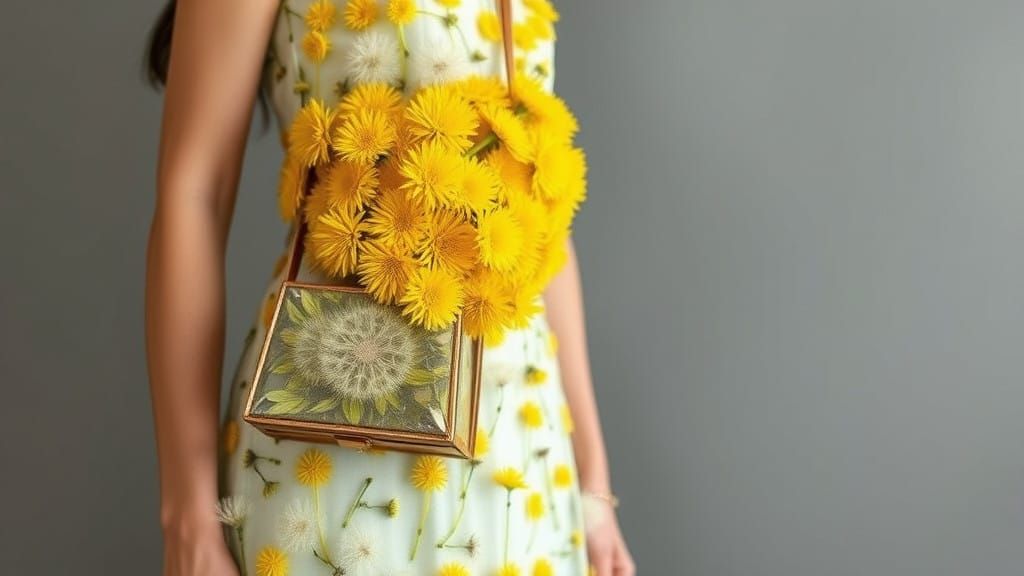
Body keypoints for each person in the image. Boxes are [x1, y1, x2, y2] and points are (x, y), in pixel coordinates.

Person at [144, 1, 635, 574]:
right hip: (336, 445)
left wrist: (592, 484)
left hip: (521, 458)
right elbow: (194, 192)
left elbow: (541, 220)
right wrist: (187, 511)